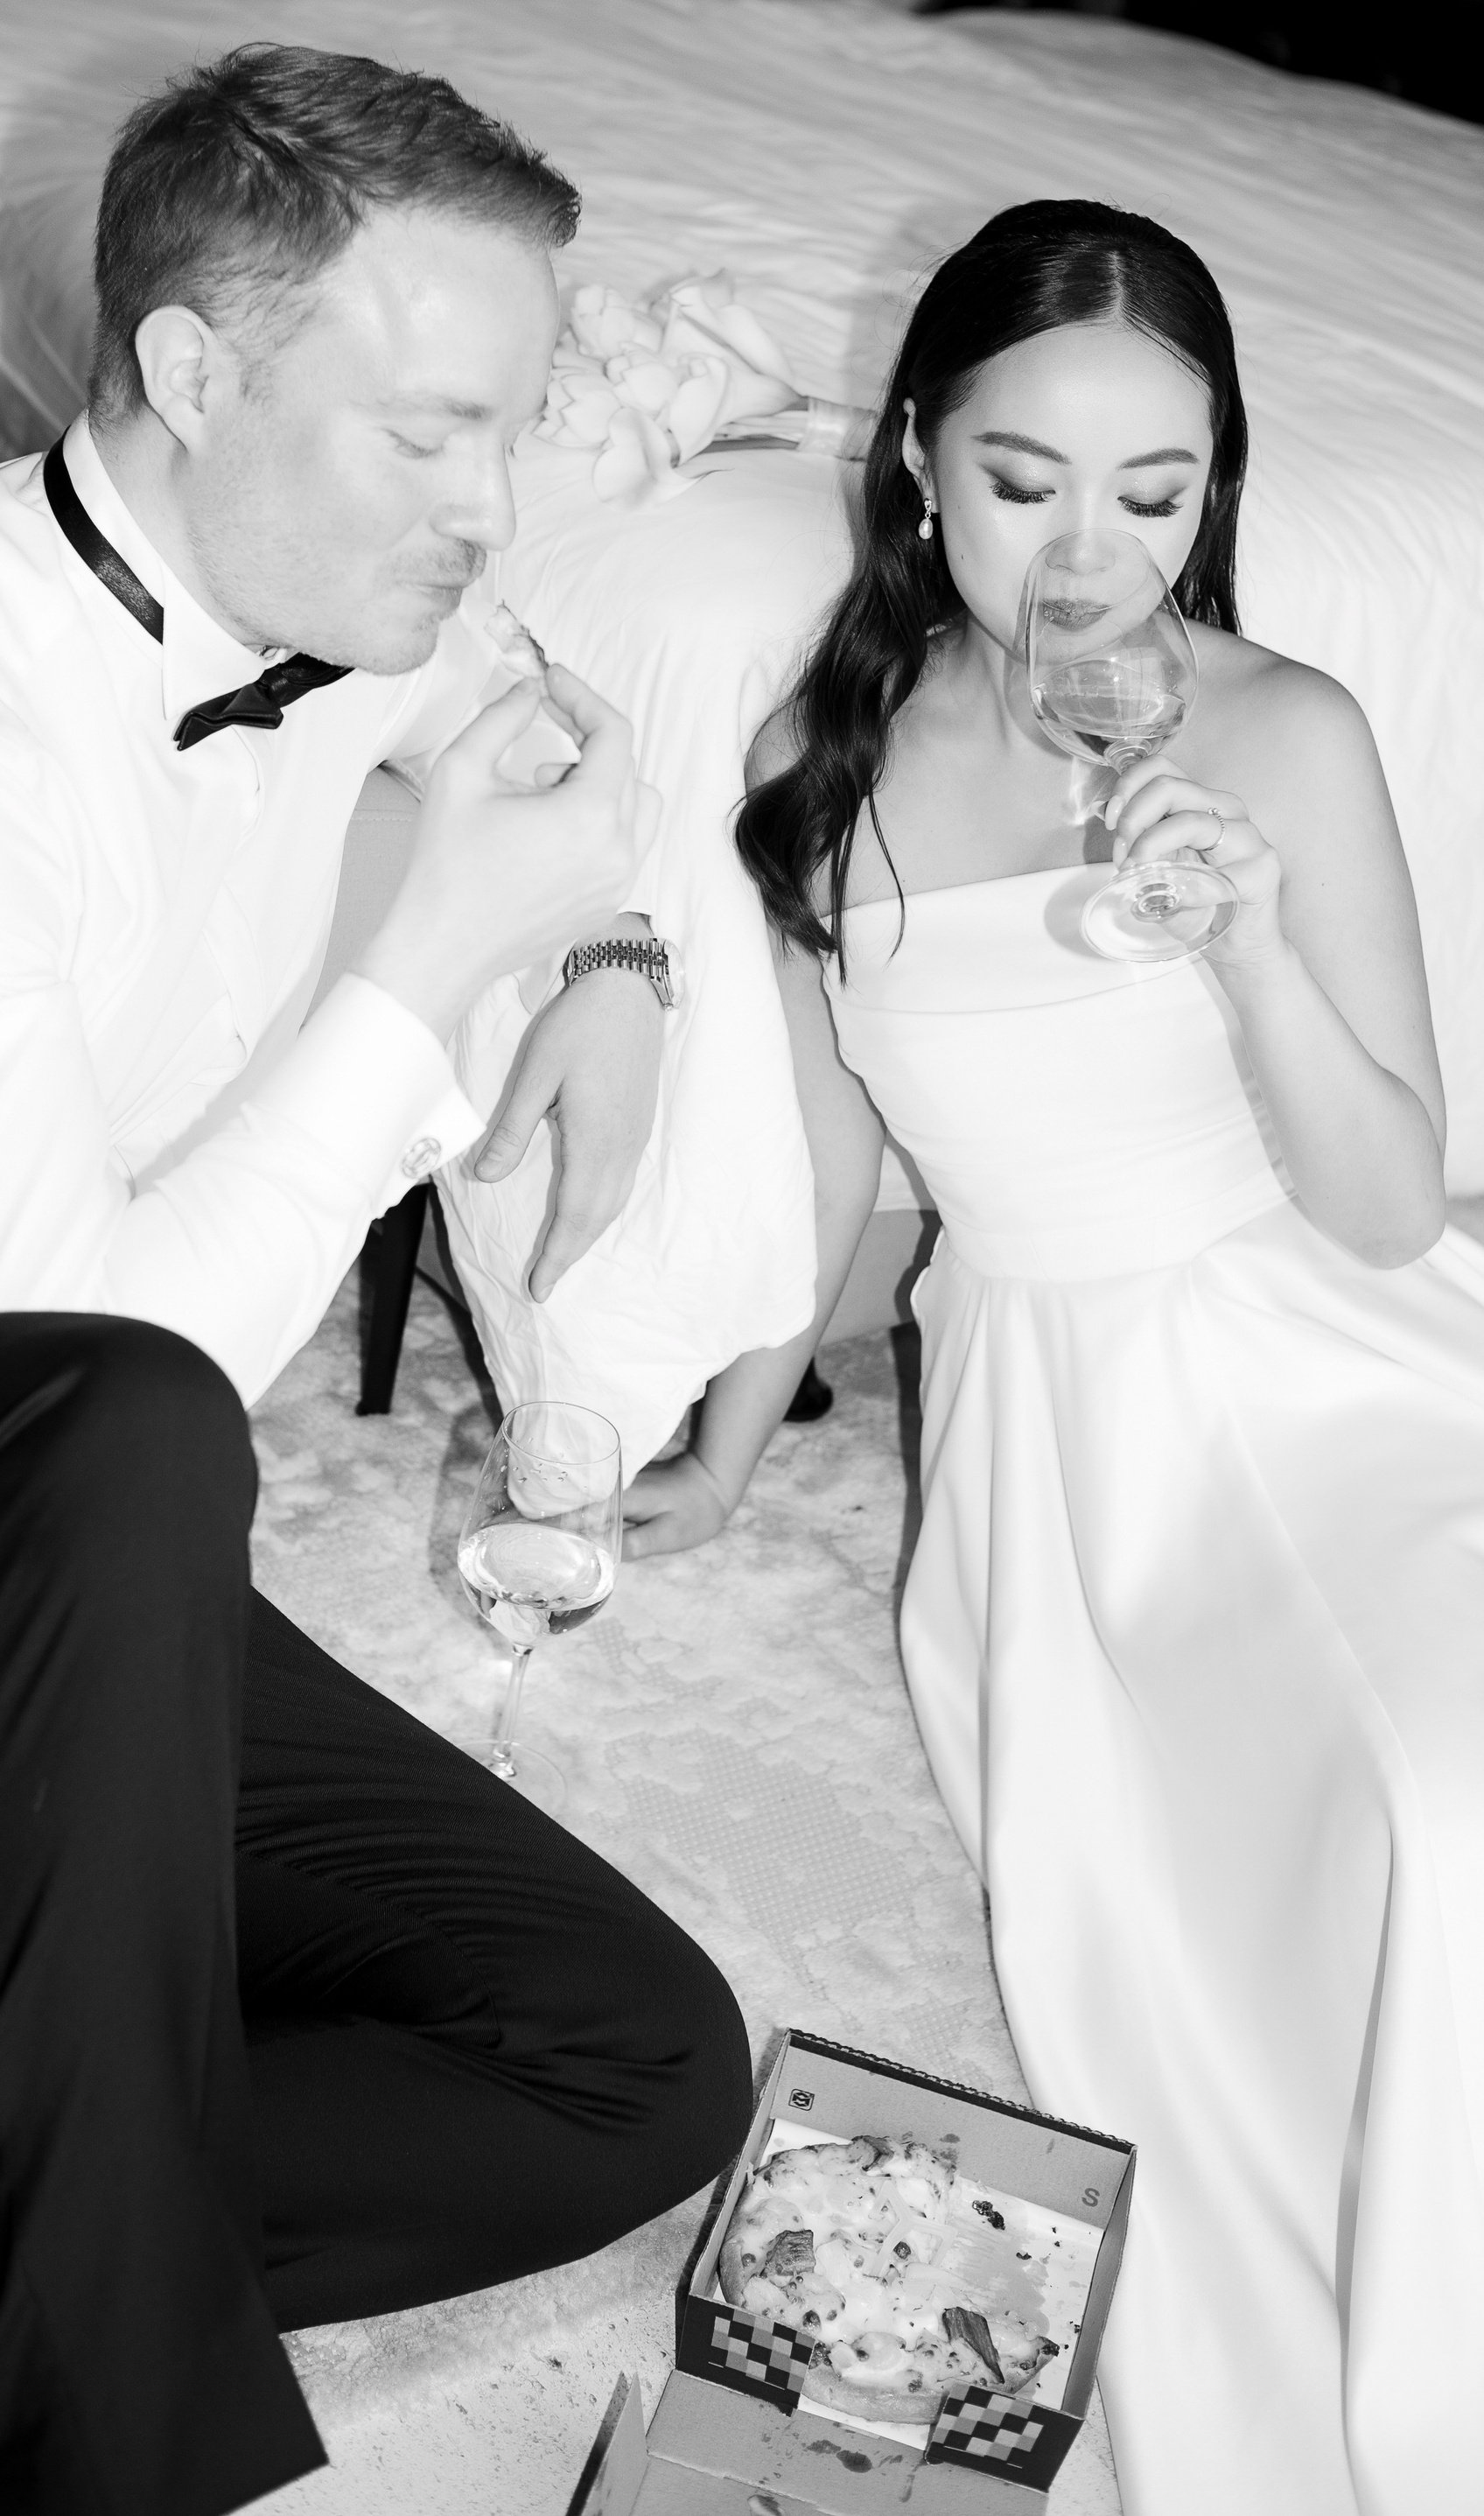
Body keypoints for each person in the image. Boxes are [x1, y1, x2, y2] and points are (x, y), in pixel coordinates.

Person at [0, 46, 752, 2516]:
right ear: (196, 372)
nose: (494, 502)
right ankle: (124, 2461)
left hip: (62, 1625)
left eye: (514, 424)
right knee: (122, 1420)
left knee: (634, 2059)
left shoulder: (348, 583)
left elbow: (537, 693)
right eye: (433, 432)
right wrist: (432, 960)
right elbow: (63, 1366)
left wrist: (617, 946)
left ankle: (9, 2259)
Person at [623, 200, 1484, 2516]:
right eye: (1025, 482)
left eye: (1156, 491)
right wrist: (733, 1442)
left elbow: (1389, 1204)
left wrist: (1256, 950)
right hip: (1059, 1427)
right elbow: (834, 1141)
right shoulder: (830, 746)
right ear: (920, 454)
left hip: (1336, 1356)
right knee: (1173, 1948)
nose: (1092, 555)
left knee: (1444, 1783)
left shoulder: (1283, 729)